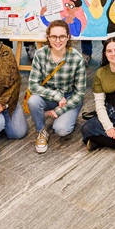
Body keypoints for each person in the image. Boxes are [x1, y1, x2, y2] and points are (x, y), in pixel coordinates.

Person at [27, 20, 88, 153]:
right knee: (33, 101)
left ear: (68, 37)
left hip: (70, 97)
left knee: (61, 130)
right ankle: (41, 131)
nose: (58, 40)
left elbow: (80, 93)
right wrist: (56, 96)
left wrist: (60, 110)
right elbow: (33, 85)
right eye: (54, 36)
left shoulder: (77, 59)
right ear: (48, 37)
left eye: (62, 36)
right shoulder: (40, 54)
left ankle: (65, 115)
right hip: (49, 94)